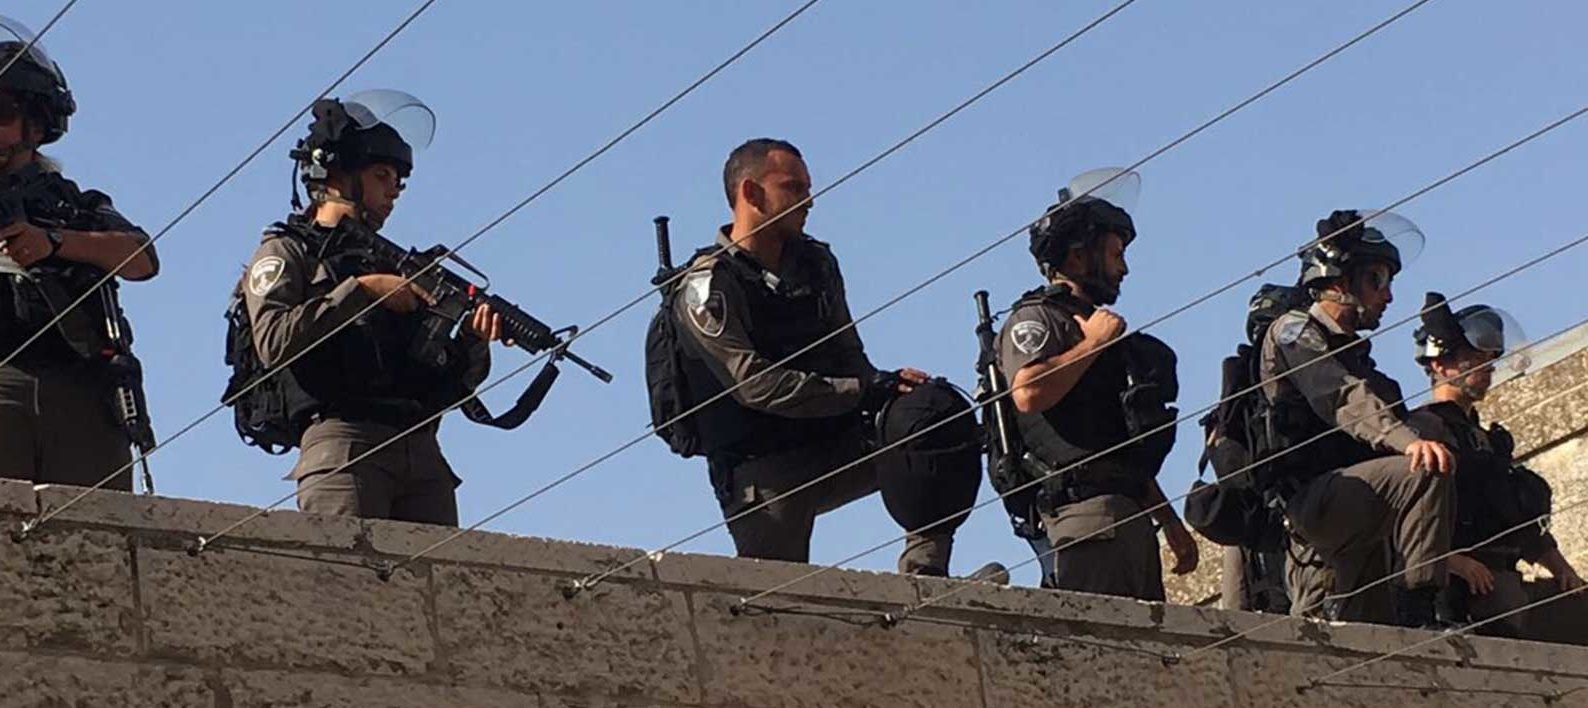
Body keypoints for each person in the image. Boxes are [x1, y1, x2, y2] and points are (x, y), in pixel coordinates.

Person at [670, 138, 962, 575]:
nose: (809, 200)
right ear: (751, 193)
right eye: (794, 188)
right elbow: (755, 385)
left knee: (934, 417)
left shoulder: (816, 263)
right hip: (762, 468)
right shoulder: (708, 286)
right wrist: (859, 391)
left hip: (834, 439)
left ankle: (926, 576)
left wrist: (889, 390)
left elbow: (851, 356)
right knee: (779, 596)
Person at [230, 89, 505, 526]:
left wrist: (472, 339)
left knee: (442, 570)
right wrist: (363, 290)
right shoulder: (287, 252)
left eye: (398, 181)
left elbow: (441, 383)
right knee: (354, 568)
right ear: (338, 174)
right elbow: (274, 341)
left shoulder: (395, 265)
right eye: (382, 175)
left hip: (422, 452)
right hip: (343, 444)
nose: (393, 191)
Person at [995, 169, 1197, 600]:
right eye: (1115, 254)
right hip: (1086, 519)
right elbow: (1028, 392)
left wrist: (1168, 521)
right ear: (1077, 257)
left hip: (1127, 516)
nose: (1123, 268)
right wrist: (1093, 343)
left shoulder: (1096, 327)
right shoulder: (1038, 319)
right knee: (1106, 639)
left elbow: (1115, 446)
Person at [1259, 209, 1455, 626]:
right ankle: (1420, 605)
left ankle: (1410, 622)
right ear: (1338, 281)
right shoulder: (1294, 332)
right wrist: (1409, 443)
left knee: (1366, 634)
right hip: (1314, 501)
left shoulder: (1357, 357)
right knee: (1423, 469)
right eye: (1376, 280)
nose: (1388, 296)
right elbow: (1341, 396)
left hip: (1358, 505)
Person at [0, 15, 158, 490]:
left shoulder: (71, 203)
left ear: (35, 124)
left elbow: (141, 259)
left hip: (81, 394)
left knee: (93, 530)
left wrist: (54, 242)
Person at [1409, 294, 1584, 637]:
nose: (1487, 368)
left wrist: (1561, 568)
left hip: (1502, 580)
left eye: (1489, 360)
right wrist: (1450, 561)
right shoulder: (1423, 431)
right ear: (1440, 365)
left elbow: (1513, 514)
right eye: (1474, 359)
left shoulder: (1485, 439)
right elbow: (1402, 520)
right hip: (1455, 590)